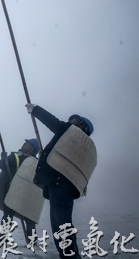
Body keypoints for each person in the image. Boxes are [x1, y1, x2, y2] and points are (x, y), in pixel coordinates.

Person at [26, 103, 97, 259]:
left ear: (82, 126)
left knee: (60, 227)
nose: (70, 122)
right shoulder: (83, 147)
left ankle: (70, 257)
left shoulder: (70, 133)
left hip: (58, 186)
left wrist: (35, 110)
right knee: (64, 225)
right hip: (65, 189)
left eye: (74, 121)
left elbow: (53, 122)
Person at [0, 138, 40, 239]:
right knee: (7, 216)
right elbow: (3, 166)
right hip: (12, 190)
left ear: (33, 149)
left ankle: (32, 242)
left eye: (27, 144)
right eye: (25, 142)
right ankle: (3, 238)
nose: (24, 144)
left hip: (27, 193)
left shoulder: (36, 163)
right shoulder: (15, 156)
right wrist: (3, 159)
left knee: (29, 219)